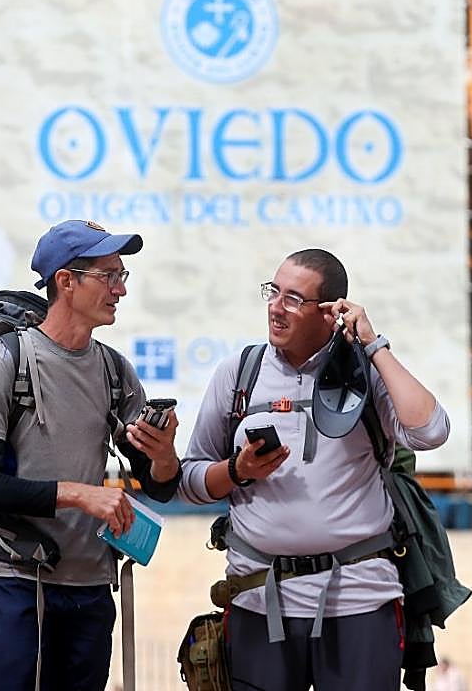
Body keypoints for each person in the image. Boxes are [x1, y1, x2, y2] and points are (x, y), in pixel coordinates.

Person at [178, 248, 451, 690]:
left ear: (329, 312)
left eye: (293, 299)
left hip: (360, 599)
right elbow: (190, 480)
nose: (275, 307)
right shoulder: (239, 374)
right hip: (257, 600)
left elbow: (431, 431)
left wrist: (373, 345)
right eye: (273, 292)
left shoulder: (366, 374)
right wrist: (238, 471)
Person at [0, 219, 181, 691]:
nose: (120, 289)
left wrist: (163, 456)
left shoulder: (115, 371)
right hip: (16, 580)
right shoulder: (3, 363)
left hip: (91, 587)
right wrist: (79, 495)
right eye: (109, 275)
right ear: (66, 281)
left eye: (122, 275)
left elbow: (159, 484)